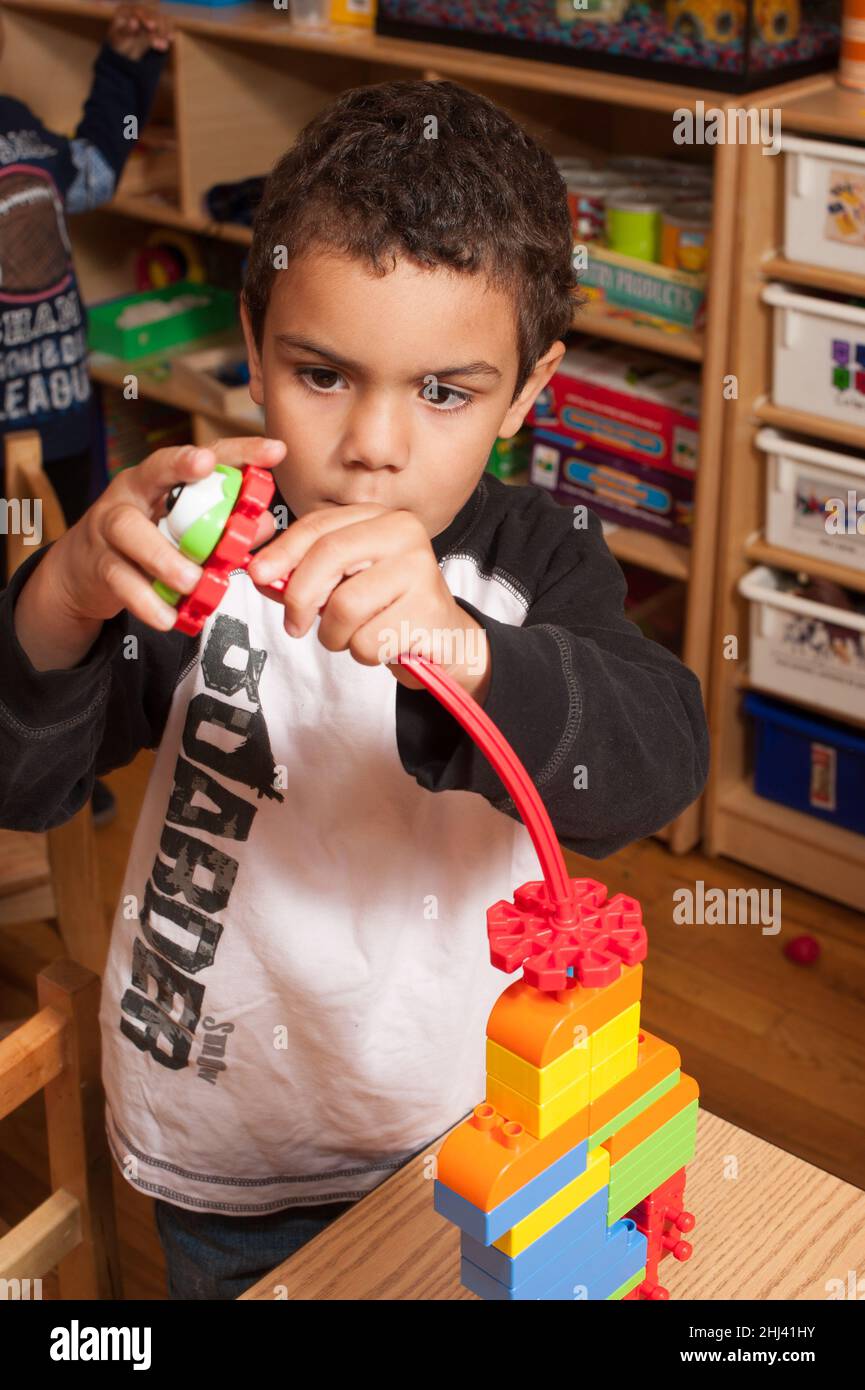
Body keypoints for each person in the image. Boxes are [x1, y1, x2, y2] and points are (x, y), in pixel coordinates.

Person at [0, 79, 709, 1299]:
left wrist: (470, 650)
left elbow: (651, 760)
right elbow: (27, 782)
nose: (374, 443)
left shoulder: (538, 561)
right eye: (322, 372)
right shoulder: (197, 536)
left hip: (465, 1128)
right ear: (255, 335)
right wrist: (63, 593)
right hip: (221, 1145)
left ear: (524, 396)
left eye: (443, 391)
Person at [0, 1, 171, 824]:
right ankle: (21, 761)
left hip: (62, 411)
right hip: (6, 441)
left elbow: (96, 169)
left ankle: (62, 748)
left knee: (71, 579)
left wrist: (126, 67)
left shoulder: (17, 126)